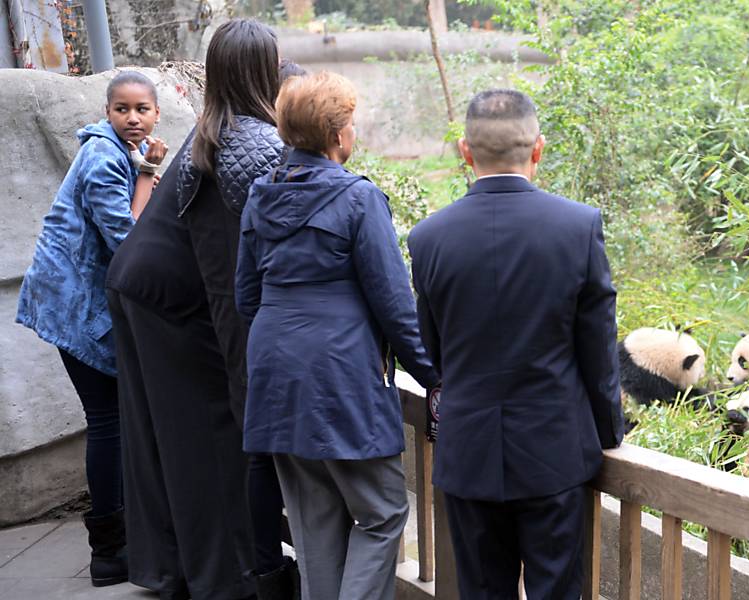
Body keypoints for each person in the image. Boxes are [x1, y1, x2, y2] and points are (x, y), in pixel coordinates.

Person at [407, 89, 625, 600]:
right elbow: (598, 349)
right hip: (555, 452)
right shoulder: (577, 228)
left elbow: (431, 352)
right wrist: (608, 431)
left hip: (468, 450)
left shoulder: (428, 238)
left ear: (465, 150)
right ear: (538, 149)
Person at [235, 70, 439, 600]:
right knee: (382, 511)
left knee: (315, 525)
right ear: (337, 133)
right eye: (351, 121)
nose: (354, 130)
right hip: (340, 372)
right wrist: (434, 376)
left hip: (276, 369)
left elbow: (246, 298)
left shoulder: (261, 196)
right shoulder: (358, 199)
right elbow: (394, 304)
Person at [105, 19, 291, 600]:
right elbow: (228, 280)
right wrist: (246, 386)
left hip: (140, 286)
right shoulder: (256, 145)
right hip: (170, 304)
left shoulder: (215, 126)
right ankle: (225, 580)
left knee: (160, 439)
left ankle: (168, 568)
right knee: (209, 441)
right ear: (266, 69)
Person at [16, 70, 167, 588]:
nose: (132, 118)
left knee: (115, 419)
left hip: (81, 306)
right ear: (107, 113)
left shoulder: (119, 152)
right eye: (122, 109)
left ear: (156, 114)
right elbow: (128, 237)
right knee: (107, 421)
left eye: (141, 110)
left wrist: (145, 166)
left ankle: (120, 540)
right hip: (73, 308)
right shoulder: (105, 156)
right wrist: (149, 169)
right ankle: (109, 551)